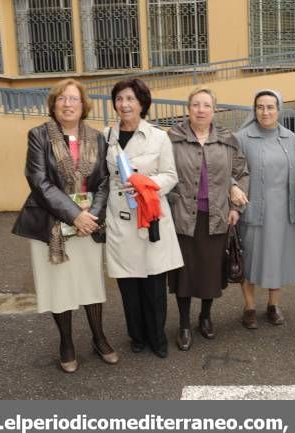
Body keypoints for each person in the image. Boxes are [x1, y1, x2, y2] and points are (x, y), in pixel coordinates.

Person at [12, 78, 117, 373]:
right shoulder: (39, 136)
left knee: (90, 282)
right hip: (52, 222)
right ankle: (67, 343)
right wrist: (74, 215)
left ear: (83, 106)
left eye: (73, 99)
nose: (68, 104)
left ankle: (99, 337)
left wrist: (91, 216)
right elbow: (38, 181)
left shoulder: (97, 138)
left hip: (88, 223)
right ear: (53, 105)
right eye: (62, 99)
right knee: (59, 284)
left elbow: (106, 181)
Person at [104, 78, 184, 359]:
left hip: (150, 218)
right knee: (128, 283)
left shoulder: (158, 137)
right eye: (120, 99)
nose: (124, 104)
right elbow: (103, 179)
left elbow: (171, 176)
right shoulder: (107, 136)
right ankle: (136, 335)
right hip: (120, 217)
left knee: (153, 283)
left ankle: (156, 336)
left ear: (142, 104)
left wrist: (144, 182)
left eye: (131, 99)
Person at [167, 87, 249, 351]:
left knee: (210, 272)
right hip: (183, 217)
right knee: (184, 274)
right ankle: (183, 324)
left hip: (216, 216)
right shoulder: (172, 138)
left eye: (206, 105)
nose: (201, 110)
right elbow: (163, 173)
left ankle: (205, 316)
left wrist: (236, 204)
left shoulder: (227, 139)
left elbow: (241, 172)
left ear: (214, 110)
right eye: (196, 105)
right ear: (188, 108)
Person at [235, 89, 295, 329]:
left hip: (283, 210)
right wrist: (233, 188)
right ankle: (250, 307)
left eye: (270, 107)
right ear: (254, 110)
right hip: (254, 208)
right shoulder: (242, 137)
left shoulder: (291, 138)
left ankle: (273, 304)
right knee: (250, 258)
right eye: (260, 107)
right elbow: (230, 171)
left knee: (277, 257)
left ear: (279, 109)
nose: (265, 112)